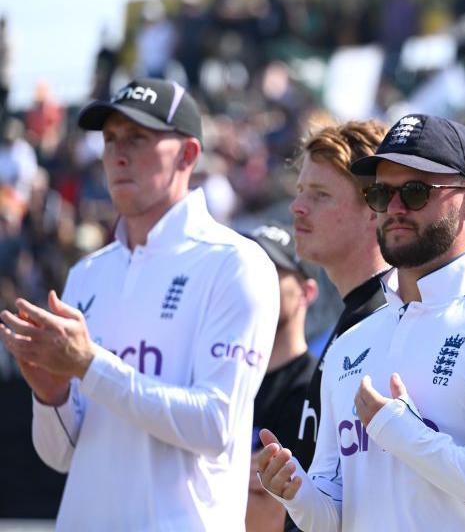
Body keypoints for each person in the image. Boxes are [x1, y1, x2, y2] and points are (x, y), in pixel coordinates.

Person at [256, 113, 465, 530]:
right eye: (381, 194)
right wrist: (296, 492)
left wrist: (408, 436)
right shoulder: (351, 345)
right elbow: (333, 517)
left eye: (415, 191)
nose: (395, 208)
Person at [0, 78, 279, 530]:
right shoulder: (88, 274)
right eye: (110, 139)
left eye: (138, 137)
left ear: (188, 155)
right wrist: (49, 396)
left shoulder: (237, 264)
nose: (118, 154)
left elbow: (214, 426)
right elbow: (62, 457)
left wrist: (90, 366)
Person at [285, 118, 392, 472]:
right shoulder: (357, 317)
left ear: (375, 210)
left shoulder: (392, 319)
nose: (297, 207)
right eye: (300, 191)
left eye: (320, 194)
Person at [244, 224, 320, 532]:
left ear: (307, 292)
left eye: (271, 271)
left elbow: (275, 514)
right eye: (249, 270)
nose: (256, 283)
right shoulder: (227, 374)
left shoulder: (316, 385)